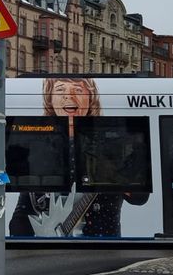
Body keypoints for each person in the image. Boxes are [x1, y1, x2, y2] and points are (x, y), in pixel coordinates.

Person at [8, 77, 146, 238]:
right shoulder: (41, 148)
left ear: (90, 98)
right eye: (60, 90)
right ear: (50, 99)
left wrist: (114, 177)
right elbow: (23, 211)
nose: (69, 96)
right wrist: (27, 244)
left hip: (103, 246)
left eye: (78, 90)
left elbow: (139, 197)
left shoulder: (112, 142)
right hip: (47, 248)